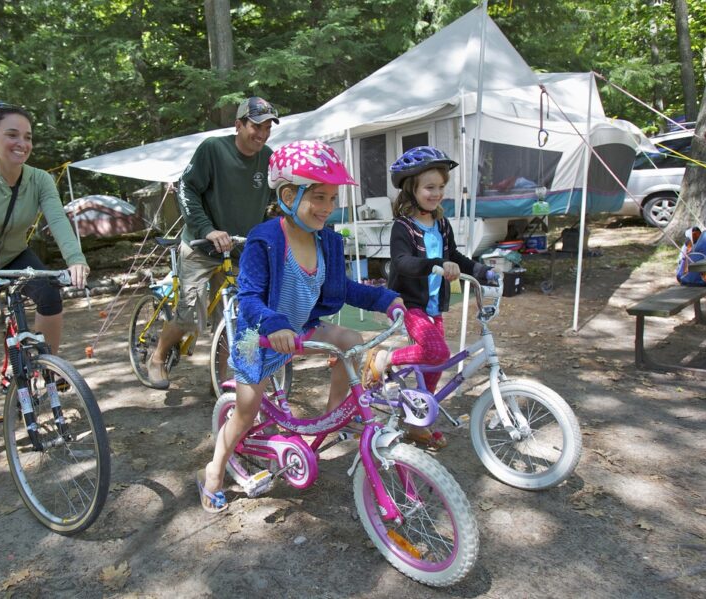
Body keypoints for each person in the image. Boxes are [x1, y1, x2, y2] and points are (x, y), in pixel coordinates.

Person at [197, 140, 404, 512]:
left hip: (300, 328)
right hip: (257, 336)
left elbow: (341, 289)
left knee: (349, 340)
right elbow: (249, 297)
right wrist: (274, 324)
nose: (327, 208)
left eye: (332, 198)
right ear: (289, 194)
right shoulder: (266, 239)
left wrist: (384, 300)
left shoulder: (327, 240)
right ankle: (214, 469)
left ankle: (333, 416)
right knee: (246, 410)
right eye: (318, 197)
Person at [0, 101, 89, 468]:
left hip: (17, 256)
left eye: (27, 137)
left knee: (50, 295)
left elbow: (57, 219)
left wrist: (75, 260)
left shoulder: (38, 179)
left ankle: (45, 366)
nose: (21, 143)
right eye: (11, 135)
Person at [143, 96, 281, 390]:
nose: (262, 133)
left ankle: (223, 381)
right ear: (238, 125)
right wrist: (207, 229)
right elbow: (187, 190)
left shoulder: (268, 158)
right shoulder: (213, 150)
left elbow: (274, 202)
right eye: (256, 126)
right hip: (200, 246)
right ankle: (157, 357)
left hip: (239, 248)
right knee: (191, 314)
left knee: (235, 316)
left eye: (268, 127)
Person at [363, 146, 494, 447]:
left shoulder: (441, 224)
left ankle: (417, 421)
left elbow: (456, 257)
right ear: (412, 190)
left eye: (441, 187)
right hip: (408, 302)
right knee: (437, 351)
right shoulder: (404, 226)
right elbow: (402, 263)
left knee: (433, 365)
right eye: (429, 187)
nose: (436, 193)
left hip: (434, 305)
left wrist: (482, 271)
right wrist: (434, 266)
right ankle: (384, 358)